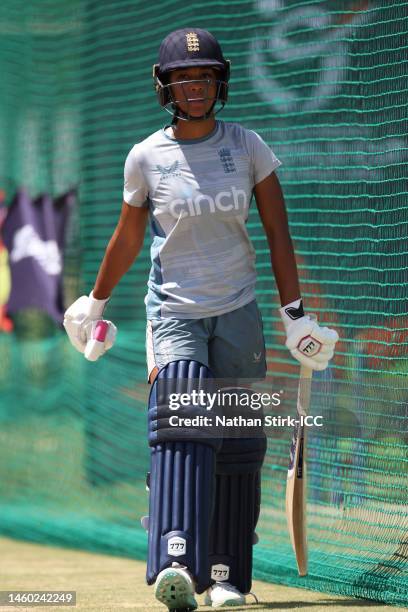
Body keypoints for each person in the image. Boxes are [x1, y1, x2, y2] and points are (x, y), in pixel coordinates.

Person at [63, 28, 338, 611]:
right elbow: (129, 234)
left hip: (237, 310)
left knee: (237, 438)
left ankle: (228, 573)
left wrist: (296, 318)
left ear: (220, 84)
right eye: (184, 78)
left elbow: (277, 231)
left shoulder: (248, 145)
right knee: (185, 412)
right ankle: (176, 563)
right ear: (165, 86)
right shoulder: (146, 156)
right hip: (175, 311)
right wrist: (97, 300)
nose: (195, 87)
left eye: (205, 77)